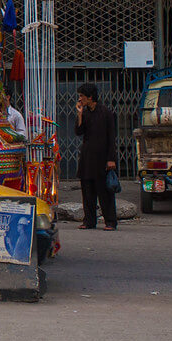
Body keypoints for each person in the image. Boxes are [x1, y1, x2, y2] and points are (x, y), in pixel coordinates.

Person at [75, 83, 118, 231]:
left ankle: (110, 221)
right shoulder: (85, 113)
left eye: (82, 96)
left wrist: (111, 158)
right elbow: (79, 131)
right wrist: (79, 114)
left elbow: (112, 137)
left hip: (102, 158)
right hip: (87, 158)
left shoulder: (106, 113)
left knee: (104, 192)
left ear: (90, 97)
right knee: (87, 191)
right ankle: (89, 221)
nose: (80, 99)